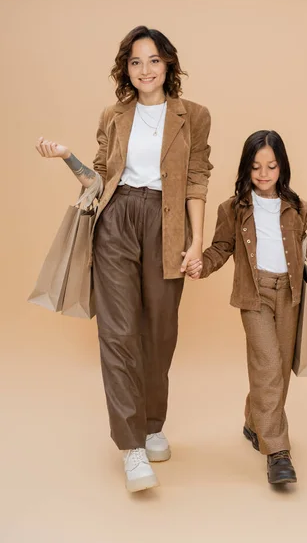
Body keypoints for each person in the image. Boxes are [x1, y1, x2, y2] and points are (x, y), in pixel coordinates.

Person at [35, 26, 212, 492]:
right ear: (125, 69)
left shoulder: (193, 115)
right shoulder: (114, 115)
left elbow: (196, 179)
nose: (144, 70)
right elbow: (97, 181)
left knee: (160, 330)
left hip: (166, 222)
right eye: (135, 62)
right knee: (116, 332)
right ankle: (131, 447)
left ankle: (152, 424)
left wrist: (195, 242)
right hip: (116, 221)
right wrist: (68, 157)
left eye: (153, 60)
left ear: (168, 64)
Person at [186, 130, 307, 485]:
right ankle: (277, 452)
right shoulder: (233, 208)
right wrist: (201, 265)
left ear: (281, 167)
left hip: (289, 295)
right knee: (268, 365)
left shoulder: (296, 206)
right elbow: (220, 249)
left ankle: (254, 422)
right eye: (256, 166)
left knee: (279, 371)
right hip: (253, 295)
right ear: (246, 167)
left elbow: (302, 252)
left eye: (271, 166)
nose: (263, 173)